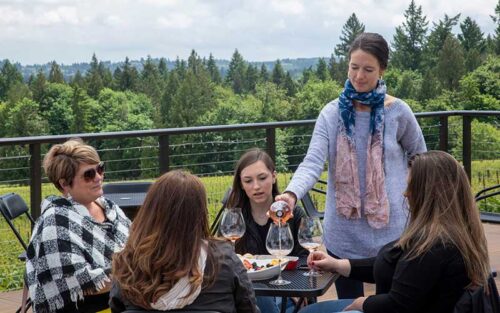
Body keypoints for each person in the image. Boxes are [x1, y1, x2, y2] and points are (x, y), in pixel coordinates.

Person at [276, 32, 427, 299]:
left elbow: (422, 159)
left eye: (368, 69)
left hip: (394, 232)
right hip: (344, 233)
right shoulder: (331, 113)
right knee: (348, 305)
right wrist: (290, 194)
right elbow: (312, 162)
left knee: (392, 304)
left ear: (382, 69)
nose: (359, 76)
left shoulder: (399, 112)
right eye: (353, 67)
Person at [300, 151, 491, 313]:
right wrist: (337, 264)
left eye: (410, 186)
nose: (405, 193)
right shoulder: (449, 235)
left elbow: (398, 305)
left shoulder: (434, 246)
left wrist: (362, 303)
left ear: (427, 194)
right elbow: (394, 264)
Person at [110, 170, 259, 313]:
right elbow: (248, 308)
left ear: (150, 211)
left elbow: (117, 308)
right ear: (200, 214)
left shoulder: (127, 263)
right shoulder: (223, 259)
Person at [25, 138, 131, 313]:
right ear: (64, 184)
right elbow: (80, 284)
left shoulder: (108, 207)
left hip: (121, 297)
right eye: (89, 174)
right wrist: (136, 275)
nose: (98, 177)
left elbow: (137, 244)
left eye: (100, 168)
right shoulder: (56, 222)